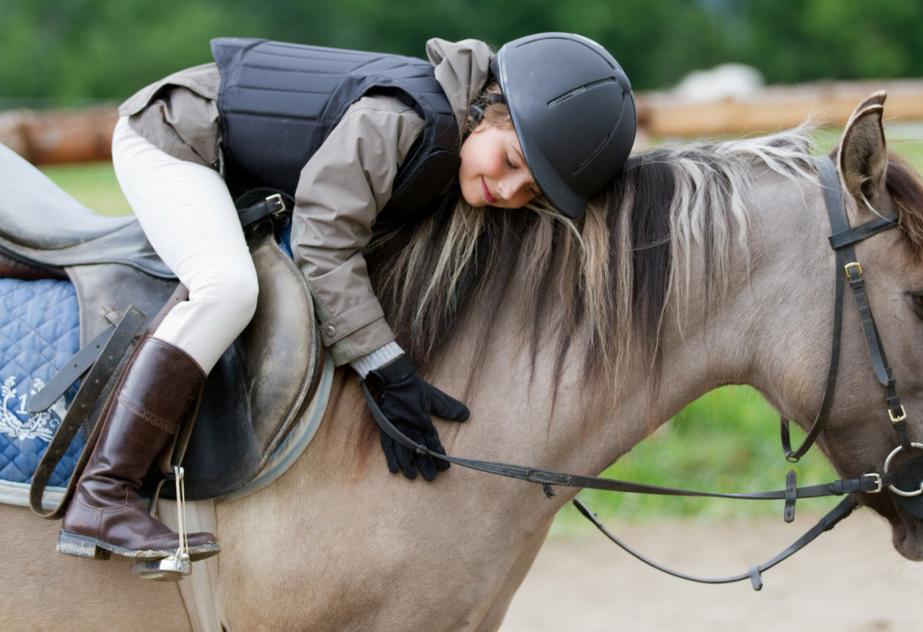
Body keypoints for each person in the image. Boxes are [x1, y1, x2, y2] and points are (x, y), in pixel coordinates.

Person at [57, 33, 637, 563]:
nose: (505, 191)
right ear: (484, 113)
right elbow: (324, 238)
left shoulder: (455, 137)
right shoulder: (399, 120)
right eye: (511, 162)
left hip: (229, 158)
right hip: (173, 138)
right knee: (227, 289)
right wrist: (385, 366)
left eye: (528, 190)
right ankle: (104, 492)